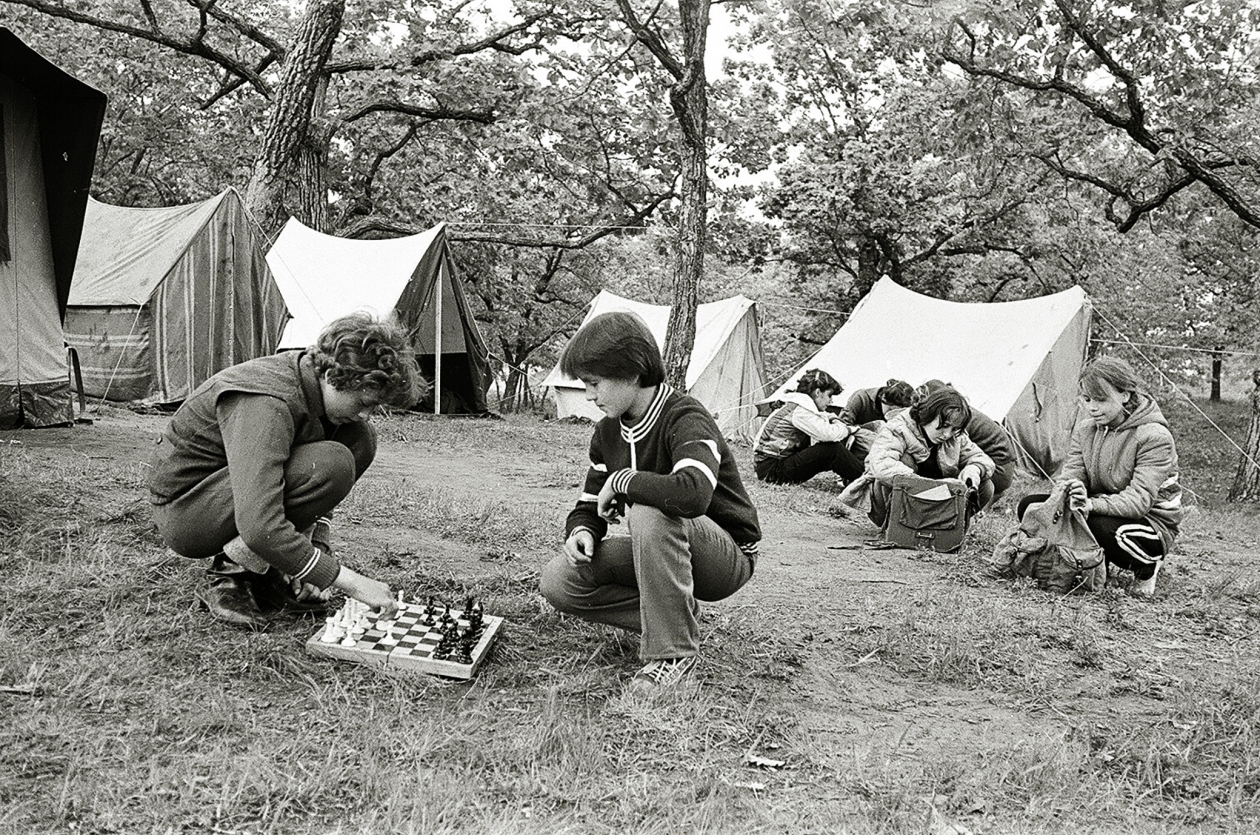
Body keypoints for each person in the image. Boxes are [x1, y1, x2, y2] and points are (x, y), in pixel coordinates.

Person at [148, 312, 424, 629]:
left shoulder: (314, 382)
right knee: (331, 463)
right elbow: (258, 523)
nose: (366, 413)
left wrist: (313, 554)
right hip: (186, 511)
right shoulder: (268, 400)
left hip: (226, 496)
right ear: (335, 376)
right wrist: (346, 580)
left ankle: (267, 572)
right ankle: (229, 578)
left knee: (360, 439)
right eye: (364, 401)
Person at [539, 311, 761, 693]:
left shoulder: (686, 416)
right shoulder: (607, 431)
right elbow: (590, 503)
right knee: (560, 581)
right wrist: (582, 529)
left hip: (725, 557)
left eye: (594, 383)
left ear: (633, 372)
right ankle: (675, 620)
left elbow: (691, 494)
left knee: (650, 508)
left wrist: (622, 480)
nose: (588, 395)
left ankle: (673, 656)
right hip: (663, 548)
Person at [1016, 357, 1181, 597]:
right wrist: (1067, 495)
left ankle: (1147, 566)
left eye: (1101, 400)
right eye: (1086, 399)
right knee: (1031, 506)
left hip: (1150, 523)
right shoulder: (1086, 429)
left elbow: (1139, 502)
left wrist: (1090, 504)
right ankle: (1088, 560)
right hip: (1097, 505)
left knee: (1100, 526)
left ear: (1125, 395)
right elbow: (1071, 475)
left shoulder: (1154, 436)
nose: (1092, 407)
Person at [839, 387, 996, 528]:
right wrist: (933, 485)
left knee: (985, 486)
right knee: (903, 461)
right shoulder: (898, 427)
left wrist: (974, 469)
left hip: (932, 504)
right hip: (894, 502)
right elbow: (882, 466)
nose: (947, 434)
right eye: (944, 425)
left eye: (954, 429)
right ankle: (897, 526)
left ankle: (945, 528)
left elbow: (982, 458)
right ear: (928, 414)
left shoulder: (955, 437)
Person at [751, 369, 865, 486]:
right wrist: (848, 429)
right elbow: (828, 434)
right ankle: (866, 479)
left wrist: (832, 420)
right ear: (817, 392)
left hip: (768, 466)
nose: (831, 401)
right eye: (829, 395)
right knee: (832, 450)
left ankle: (855, 477)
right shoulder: (800, 410)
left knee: (830, 449)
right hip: (771, 471)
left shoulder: (796, 404)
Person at [915, 380, 1017, 500]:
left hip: (1000, 470)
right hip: (1004, 467)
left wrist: (974, 468)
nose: (947, 434)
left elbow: (973, 453)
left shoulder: (956, 417)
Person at [840, 379, 915, 426]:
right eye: (890, 411)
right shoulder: (860, 398)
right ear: (884, 399)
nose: (891, 417)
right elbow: (842, 426)